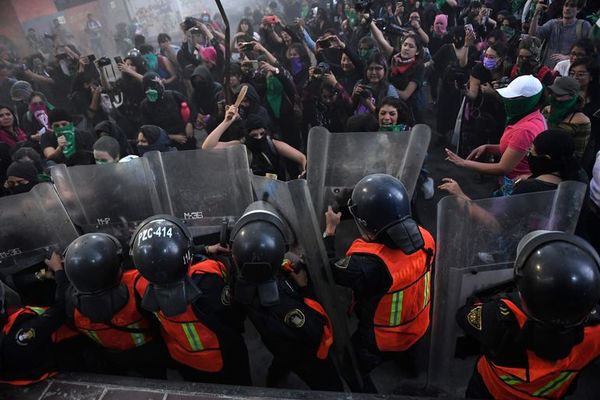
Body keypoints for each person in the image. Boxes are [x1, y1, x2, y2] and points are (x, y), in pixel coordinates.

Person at [323, 174, 435, 392]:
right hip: (418, 324)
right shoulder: (426, 237)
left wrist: (330, 231)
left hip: (381, 338)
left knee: (350, 367)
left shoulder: (367, 265)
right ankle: (411, 368)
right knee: (410, 356)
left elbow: (328, 269)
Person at [457, 231, 600, 399]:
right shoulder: (595, 332)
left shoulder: (499, 318)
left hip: (490, 391)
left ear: (523, 296)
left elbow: (463, 316)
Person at [230, 203, 343, 391]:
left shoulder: (237, 280)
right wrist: (305, 287)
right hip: (303, 354)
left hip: (275, 341)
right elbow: (316, 330)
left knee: (281, 357)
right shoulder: (286, 306)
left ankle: (274, 378)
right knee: (331, 386)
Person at [130, 215, 251, 385]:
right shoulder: (207, 277)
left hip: (182, 358)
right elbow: (233, 317)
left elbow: (162, 261)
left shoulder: (139, 283)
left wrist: (206, 249)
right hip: (220, 358)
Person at [63, 233, 165, 378]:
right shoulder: (136, 285)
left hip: (113, 356)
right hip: (148, 352)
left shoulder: (70, 303)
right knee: (156, 378)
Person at [445, 75, 546, 190]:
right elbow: (516, 149)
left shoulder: (525, 130)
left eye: (513, 99)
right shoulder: (533, 116)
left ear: (529, 101)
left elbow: (503, 167)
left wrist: (464, 163)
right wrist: (488, 147)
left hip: (515, 185)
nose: (507, 102)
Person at [0, 253, 75, 385]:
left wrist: (42, 274)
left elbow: (10, 283)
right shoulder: (20, 335)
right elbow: (62, 308)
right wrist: (58, 270)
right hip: (64, 346)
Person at [203, 106, 306, 180]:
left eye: (262, 134)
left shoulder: (272, 144)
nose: (259, 137)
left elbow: (301, 157)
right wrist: (227, 121)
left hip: (276, 193)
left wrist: (305, 170)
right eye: (254, 135)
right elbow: (208, 148)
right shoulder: (240, 146)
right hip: (251, 196)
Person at [528, 0, 591, 68]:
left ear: (578, 9)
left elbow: (588, 51)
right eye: (566, 5)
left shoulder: (583, 26)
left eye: (572, 6)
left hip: (569, 71)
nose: (567, 8)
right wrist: (536, 14)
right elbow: (532, 35)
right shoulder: (553, 24)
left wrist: (568, 58)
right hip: (548, 70)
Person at [139, 72, 194, 151]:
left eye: (155, 85)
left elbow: (191, 109)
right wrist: (172, 137)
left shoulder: (174, 95)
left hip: (187, 138)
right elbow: (150, 130)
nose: (151, 90)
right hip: (166, 145)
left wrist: (189, 123)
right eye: (147, 88)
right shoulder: (145, 106)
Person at [544, 76, 590, 159]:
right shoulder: (547, 110)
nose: (555, 97)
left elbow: (578, 153)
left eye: (559, 95)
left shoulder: (582, 121)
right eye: (553, 93)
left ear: (573, 96)